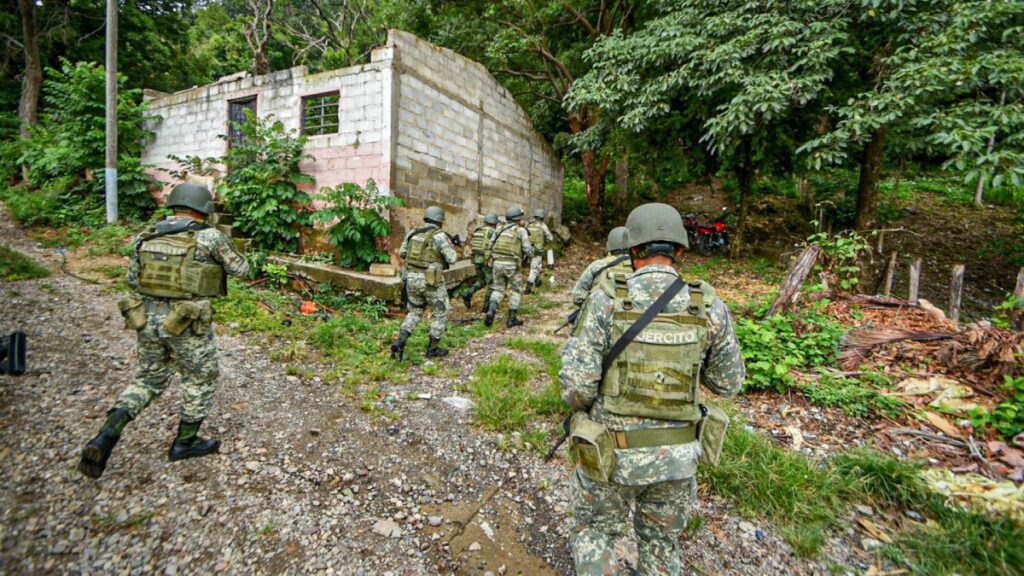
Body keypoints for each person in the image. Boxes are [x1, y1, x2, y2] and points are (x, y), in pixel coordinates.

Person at [558, 202, 745, 575]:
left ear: (632, 250)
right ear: (679, 250)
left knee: (595, 531)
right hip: (677, 458)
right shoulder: (708, 304)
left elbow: (577, 386)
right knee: (660, 541)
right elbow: (728, 383)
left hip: (611, 452)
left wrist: (584, 408)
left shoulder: (606, 298)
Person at [78, 183, 251, 479]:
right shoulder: (209, 236)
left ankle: (105, 436)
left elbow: (133, 281)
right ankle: (185, 442)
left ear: (173, 205)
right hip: (187, 323)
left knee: (147, 379)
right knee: (200, 377)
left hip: (147, 321)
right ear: (204, 208)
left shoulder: (146, 236)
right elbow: (242, 270)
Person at [390, 205, 459, 360]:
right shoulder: (440, 236)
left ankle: (400, 342)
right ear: (440, 220)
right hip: (430, 281)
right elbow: (452, 259)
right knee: (440, 312)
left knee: (414, 311)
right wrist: (452, 245)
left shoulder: (413, 233)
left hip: (411, 279)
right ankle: (432, 349)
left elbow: (402, 253)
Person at [484, 206, 533, 328]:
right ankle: (511, 319)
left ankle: (491, 311)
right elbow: (527, 249)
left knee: (498, 289)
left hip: (497, 263)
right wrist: (532, 255)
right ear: (518, 219)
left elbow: (489, 246)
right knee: (515, 290)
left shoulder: (498, 230)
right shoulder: (521, 231)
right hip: (512, 265)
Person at [570, 226, 633, 306]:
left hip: (600, 314)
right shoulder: (641, 266)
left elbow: (577, 296)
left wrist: (594, 301)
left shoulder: (597, 266)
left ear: (609, 245)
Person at [462, 213, 499, 312]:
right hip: (487, 261)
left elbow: (469, 245)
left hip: (476, 260)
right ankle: (486, 307)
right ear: (494, 223)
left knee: (481, 281)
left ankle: (468, 293)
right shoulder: (493, 232)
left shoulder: (478, 231)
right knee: (491, 284)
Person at [524, 208, 554, 293]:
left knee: (538, 266)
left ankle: (537, 282)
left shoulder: (528, 224)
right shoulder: (543, 226)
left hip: (528, 250)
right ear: (542, 217)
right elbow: (550, 238)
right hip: (537, 251)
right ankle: (528, 287)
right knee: (534, 268)